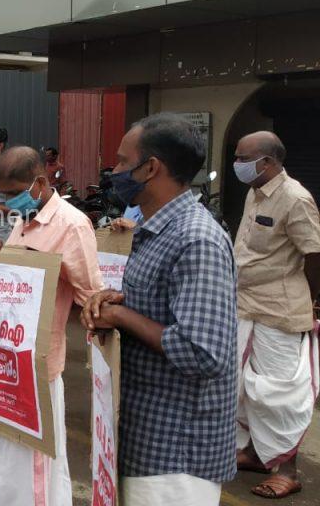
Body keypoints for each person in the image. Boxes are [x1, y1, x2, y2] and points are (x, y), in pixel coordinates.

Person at [81, 113, 238, 506]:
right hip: (145, 436)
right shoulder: (155, 231)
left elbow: (202, 352)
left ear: (150, 168)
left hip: (176, 455)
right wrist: (118, 302)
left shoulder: (196, 240)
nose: (113, 171)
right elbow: (161, 310)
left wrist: (120, 317)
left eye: (120, 161)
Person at [0, 146, 103, 506]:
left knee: (34, 461)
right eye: (3, 195)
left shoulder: (71, 225)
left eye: (13, 193)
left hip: (38, 364)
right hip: (3, 356)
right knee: (3, 454)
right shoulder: (25, 218)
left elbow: (92, 297)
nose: (8, 203)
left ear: (39, 182)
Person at [231, 131, 320, 500]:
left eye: (243, 158)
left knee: (279, 392)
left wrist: (312, 301)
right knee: (243, 386)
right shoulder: (255, 192)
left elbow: (315, 254)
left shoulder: (295, 199)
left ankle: (288, 469)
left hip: (280, 313)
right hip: (245, 306)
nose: (237, 164)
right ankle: (254, 452)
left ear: (267, 162)